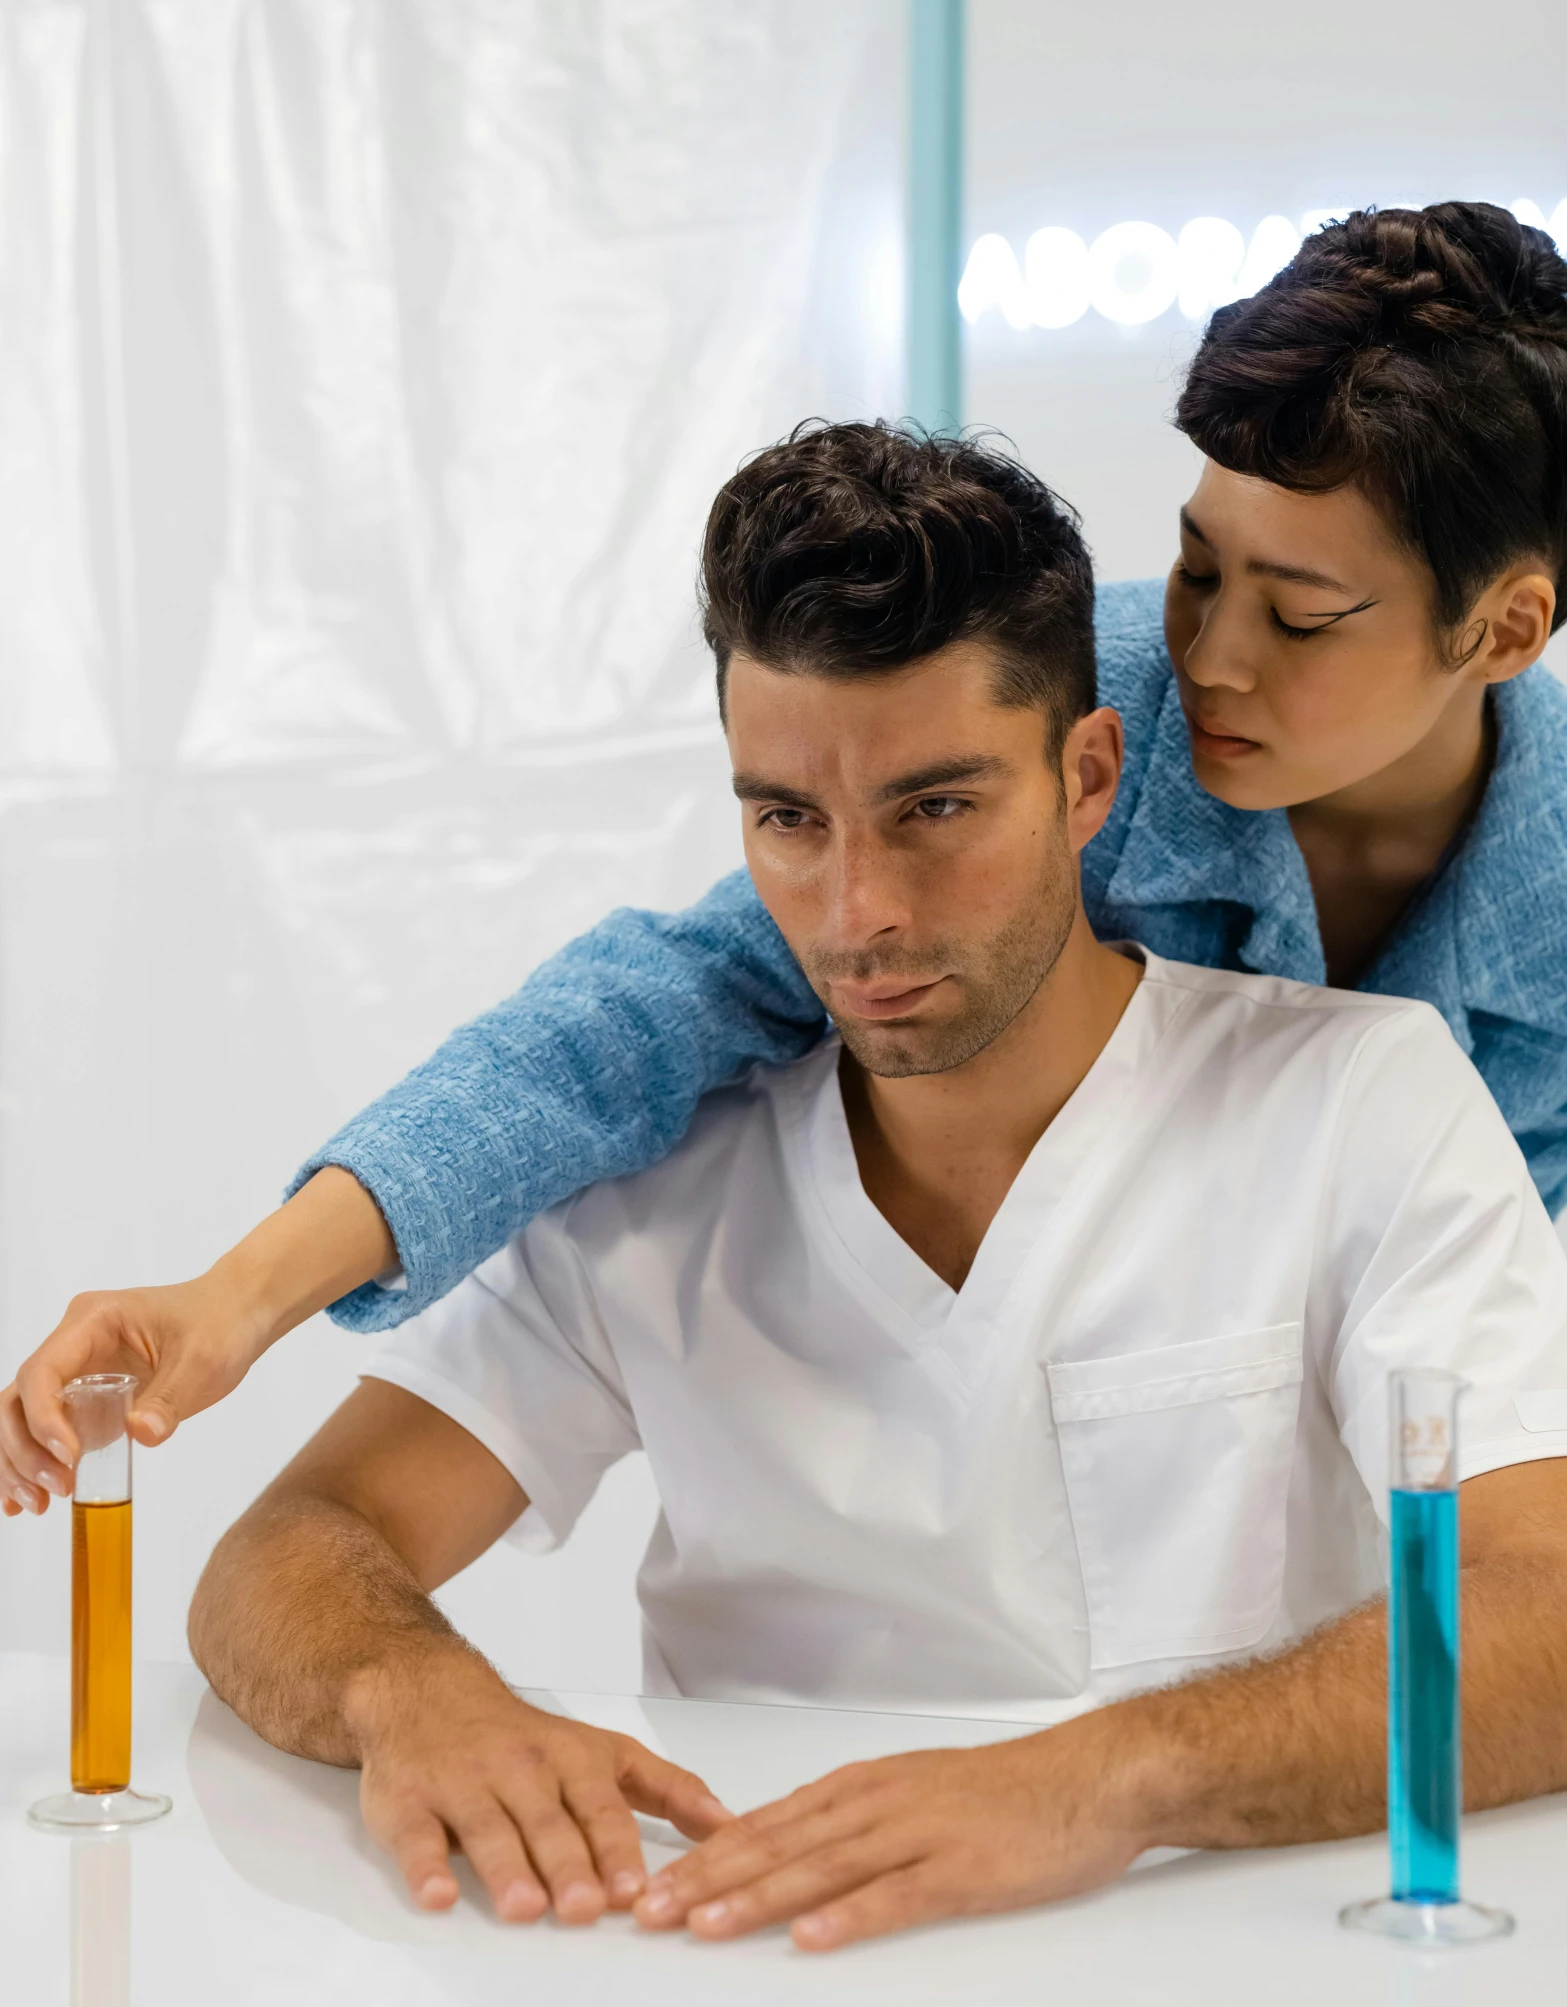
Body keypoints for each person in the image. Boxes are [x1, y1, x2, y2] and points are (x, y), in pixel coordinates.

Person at [187, 422, 1567, 1952]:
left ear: (1087, 774)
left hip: (1218, 1949)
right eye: (787, 817)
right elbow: (288, 1548)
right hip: (747, 1949)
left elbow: (1545, 1617)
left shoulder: (1361, 1101)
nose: (858, 915)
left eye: (934, 808)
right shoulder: (665, 1176)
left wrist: (1097, 1780)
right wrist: (415, 1692)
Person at [5, 199, 1567, 1506]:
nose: (1208, 653)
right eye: (1196, 564)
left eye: (1298, 615)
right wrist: (246, 1290)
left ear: (1501, 628)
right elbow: (643, 1013)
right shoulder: (1068, 715)